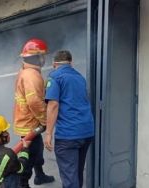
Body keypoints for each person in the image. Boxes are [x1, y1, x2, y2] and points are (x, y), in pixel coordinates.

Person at [44, 50, 94, 188]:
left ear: (54, 64)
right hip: (86, 131)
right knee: (77, 172)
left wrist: (48, 133)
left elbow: (53, 105)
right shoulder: (80, 77)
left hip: (68, 135)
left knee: (69, 177)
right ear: (71, 63)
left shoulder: (55, 77)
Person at [13, 38, 55, 187]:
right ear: (36, 57)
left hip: (27, 121)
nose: (45, 59)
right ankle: (22, 183)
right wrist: (46, 120)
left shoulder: (25, 70)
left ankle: (40, 176)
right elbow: (34, 102)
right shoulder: (32, 75)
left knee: (37, 151)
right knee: (29, 157)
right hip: (30, 124)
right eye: (43, 55)